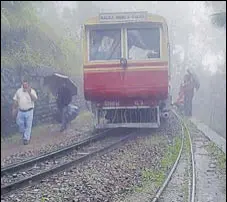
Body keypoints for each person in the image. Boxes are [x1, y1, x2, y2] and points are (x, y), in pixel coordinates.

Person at [12, 78, 38, 145]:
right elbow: (15, 100)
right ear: (22, 84)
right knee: (20, 124)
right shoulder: (19, 91)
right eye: (24, 84)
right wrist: (14, 108)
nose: (25, 85)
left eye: (26, 84)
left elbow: (35, 99)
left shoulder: (32, 91)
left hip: (29, 111)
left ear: (28, 84)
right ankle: (24, 133)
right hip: (20, 111)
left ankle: (26, 139)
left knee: (28, 126)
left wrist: (29, 93)